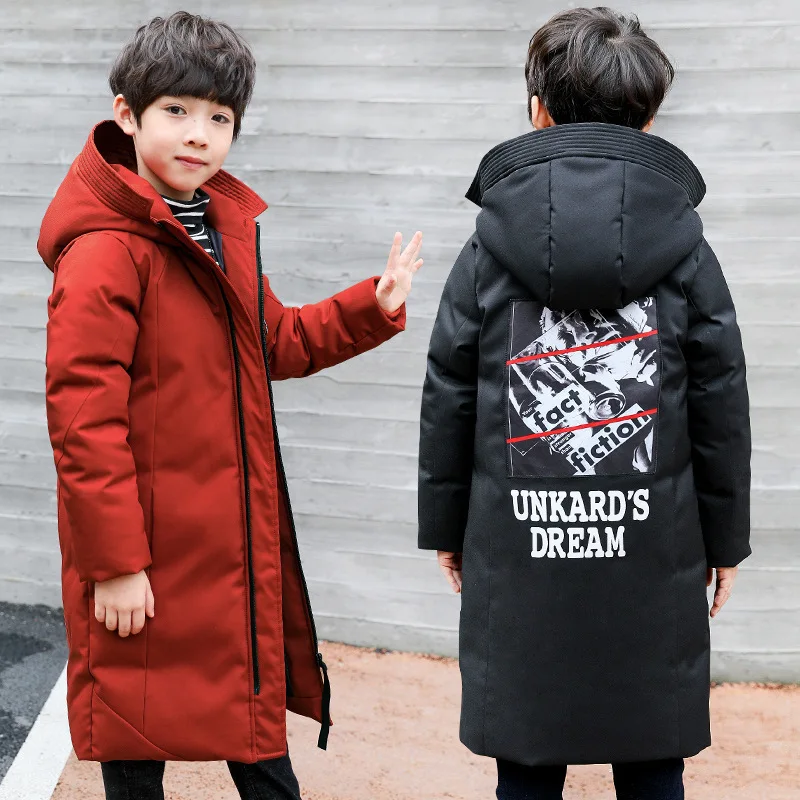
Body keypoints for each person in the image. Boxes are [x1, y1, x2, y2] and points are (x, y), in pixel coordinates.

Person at [38, 11, 422, 800]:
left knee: (255, 738)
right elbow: (84, 423)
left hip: (226, 557)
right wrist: (115, 565)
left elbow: (274, 340)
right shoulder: (104, 249)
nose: (199, 135)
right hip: (144, 559)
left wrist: (372, 305)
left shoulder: (219, 229)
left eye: (220, 118)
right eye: (177, 110)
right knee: (135, 745)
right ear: (126, 115)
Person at [417, 7, 750, 800]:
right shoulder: (688, 252)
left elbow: (449, 391)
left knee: (526, 760)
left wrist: (447, 526)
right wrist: (725, 540)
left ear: (537, 112)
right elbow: (720, 400)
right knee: (652, 756)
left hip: (518, 544)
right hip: (655, 548)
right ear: (649, 120)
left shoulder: (486, 250)